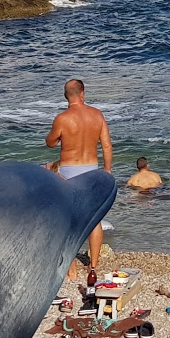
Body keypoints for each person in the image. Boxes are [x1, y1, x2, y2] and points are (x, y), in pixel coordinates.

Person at [46, 78, 113, 280]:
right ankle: (93, 267)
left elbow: (50, 143)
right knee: (94, 220)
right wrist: (107, 171)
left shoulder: (62, 118)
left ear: (66, 96)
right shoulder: (97, 115)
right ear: (82, 93)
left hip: (69, 172)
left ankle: (71, 268)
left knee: (69, 221)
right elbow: (107, 146)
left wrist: (56, 138)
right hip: (92, 170)